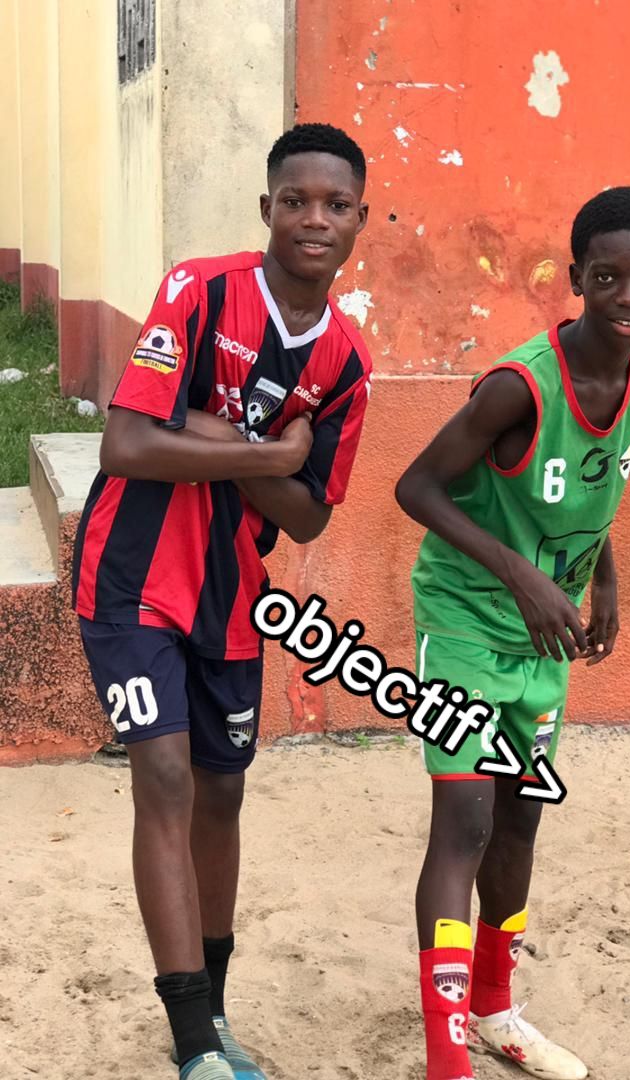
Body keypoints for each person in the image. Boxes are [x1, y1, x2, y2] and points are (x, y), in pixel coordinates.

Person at [72, 123, 372, 1080]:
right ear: (266, 209)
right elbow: (128, 444)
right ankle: (194, 1041)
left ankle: (217, 1010)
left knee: (223, 791)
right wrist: (271, 451)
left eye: (335, 204)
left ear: (361, 221)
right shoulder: (199, 292)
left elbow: (309, 515)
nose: (314, 219)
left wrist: (215, 438)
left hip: (232, 593)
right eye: (296, 200)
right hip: (131, 577)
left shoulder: (347, 362)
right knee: (162, 777)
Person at [396, 187, 630, 1080]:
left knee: (521, 819)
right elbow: (416, 487)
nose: (629, 297)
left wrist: (606, 577)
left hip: (544, 636)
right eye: (608, 278)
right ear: (577, 279)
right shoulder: (519, 387)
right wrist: (521, 576)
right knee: (466, 822)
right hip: (467, 622)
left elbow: (594, 485)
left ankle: (494, 1011)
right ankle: (447, 1058)